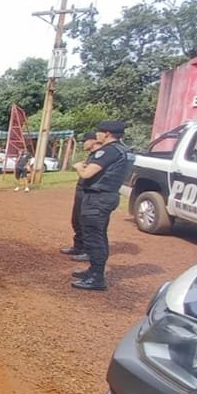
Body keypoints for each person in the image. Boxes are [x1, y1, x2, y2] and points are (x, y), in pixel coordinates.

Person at [71, 121, 134, 291]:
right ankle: (93, 271)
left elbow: (87, 173)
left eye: (99, 132)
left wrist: (78, 167)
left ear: (106, 133)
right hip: (107, 196)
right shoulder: (124, 150)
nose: (96, 135)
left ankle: (97, 278)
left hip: (98, 198)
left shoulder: (108, 151)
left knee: (94, 237)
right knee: (99, 235)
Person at [60, 132, 101, 260]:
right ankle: (78, 247)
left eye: (85, 141)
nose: (84, 143)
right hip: (81, 190)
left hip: (89, 192)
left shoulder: (101, 156)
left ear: (93, 141)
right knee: (76, 220)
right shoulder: (92, 155)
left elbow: (87, 174)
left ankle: (88, 251)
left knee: (86, 222)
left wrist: (79, 167)